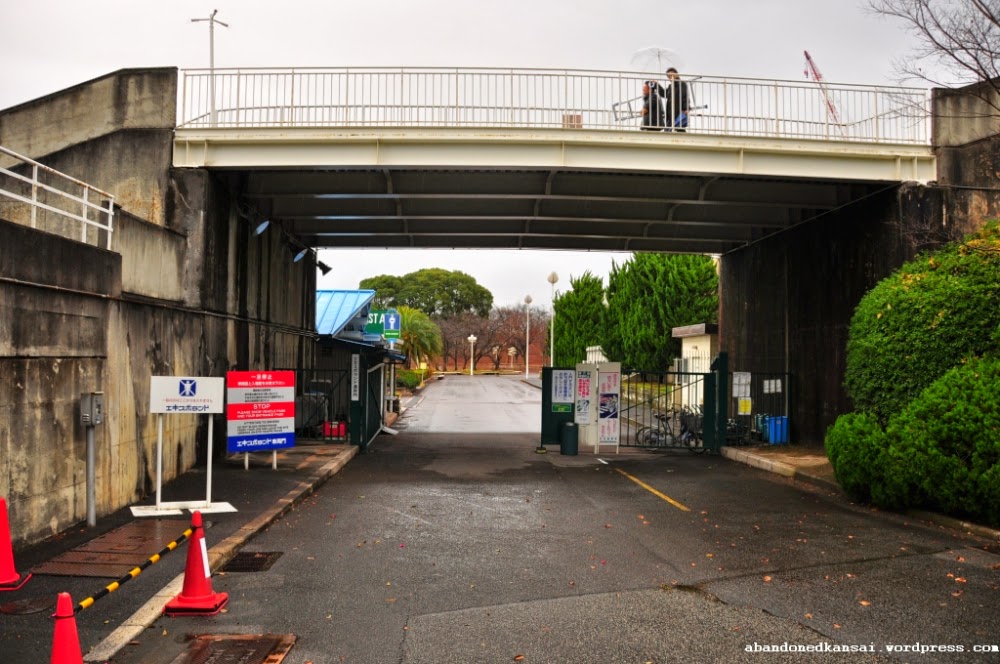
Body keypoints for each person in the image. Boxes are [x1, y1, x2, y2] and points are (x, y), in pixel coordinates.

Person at [657, 68, 691, 132]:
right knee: (668, 131)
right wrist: (656, 85)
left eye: (672, 75)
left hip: (678, 112)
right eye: (669, 76)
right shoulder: (671, 87)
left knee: (679, 129)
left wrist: (686, 108)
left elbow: (685, 97)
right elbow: (663, 93)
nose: (671, 77)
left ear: (676, 74)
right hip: (670, 114)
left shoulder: (682, 84)